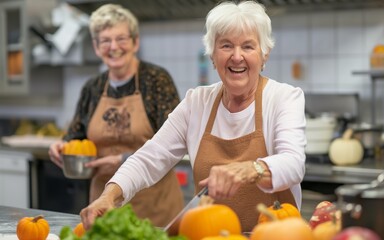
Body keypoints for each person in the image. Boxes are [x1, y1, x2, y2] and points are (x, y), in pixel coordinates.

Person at [80, 0, 306, 232]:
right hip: (209, 235)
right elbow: (149, 157)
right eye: (226, 46)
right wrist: (110, 195)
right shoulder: (196, 102)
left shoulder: (284, 98)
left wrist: (250, 170)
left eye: (248, 47)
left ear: (264, 54)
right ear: (212, 54)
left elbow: (294, 163)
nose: (237, 57)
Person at [48, 4, 184, 227]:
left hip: (155, 206)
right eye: (105, 40)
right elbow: (76, 135)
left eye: (121, 38)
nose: (114, 47)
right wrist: (63, 146)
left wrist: (122, 161)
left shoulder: (156, 80)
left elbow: (173, 143)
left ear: (135, 42)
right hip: (104, 206)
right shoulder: (92, 87)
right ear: (96, 46)